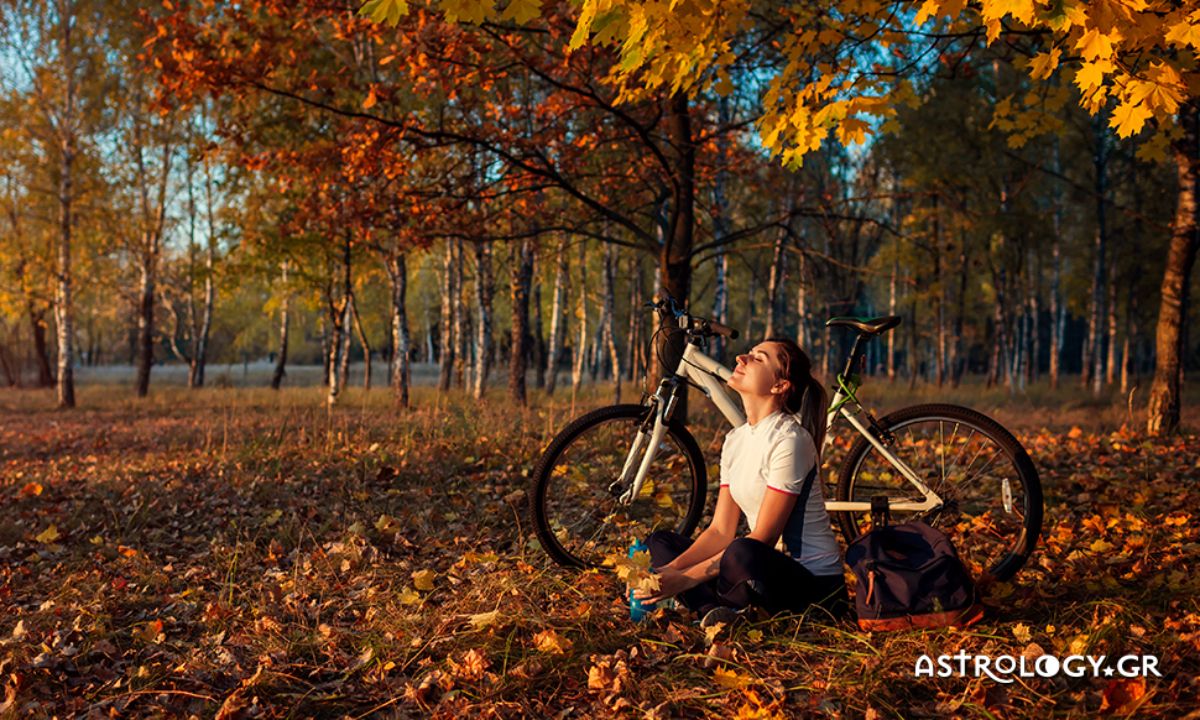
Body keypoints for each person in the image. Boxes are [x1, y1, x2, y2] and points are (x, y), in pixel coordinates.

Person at [634, 337, 849, 626]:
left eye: (758, 358)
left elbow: (764, 539)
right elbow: (720, 530)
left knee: (742, 551)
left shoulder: (791, 440)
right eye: (749, 353)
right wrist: (667, 571)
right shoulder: (735, 441)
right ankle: (719, 615)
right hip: (757, 572)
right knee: (659, 544)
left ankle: (719, 609)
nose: (741, 359)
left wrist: (683, 579)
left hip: (812, 586)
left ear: (779, 386)